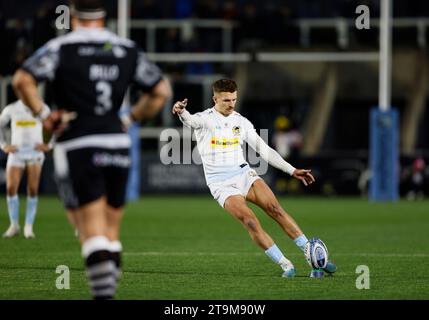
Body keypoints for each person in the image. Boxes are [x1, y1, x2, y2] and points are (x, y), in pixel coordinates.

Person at [12, 0, 171, 299]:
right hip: (118, 143)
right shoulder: (127, 49)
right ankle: (108, 283)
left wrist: (45, 114)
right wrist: (130, 119)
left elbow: (23, 79)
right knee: (111, 232)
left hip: (79, 143)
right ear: (104, 17)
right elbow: (161, 92)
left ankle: (103, 294)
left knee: (89, 230)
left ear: (73, 16)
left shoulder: (62, 47)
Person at [172, 79, 336, 278]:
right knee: (250, 221)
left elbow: (264, 150)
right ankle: (286, 264)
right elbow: (190, 120)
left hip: (243, 174)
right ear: (214, 99)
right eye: (226, 100)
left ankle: (312, 255)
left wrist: (292, 170)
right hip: (220, 183)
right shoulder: (205, 119)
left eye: (234, 99)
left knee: (275, 209)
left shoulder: (241, 122)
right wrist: (181, 111)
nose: (231, 104)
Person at [0, 99, 52, 239]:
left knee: (33, 189)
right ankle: (14, 225)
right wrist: (4, 145)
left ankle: (28, 227)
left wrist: (49, 145)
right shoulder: (12, 108)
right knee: (11, 188)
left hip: (35, 152)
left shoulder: (42, 108)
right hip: (16, 152)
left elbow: (54, 125)